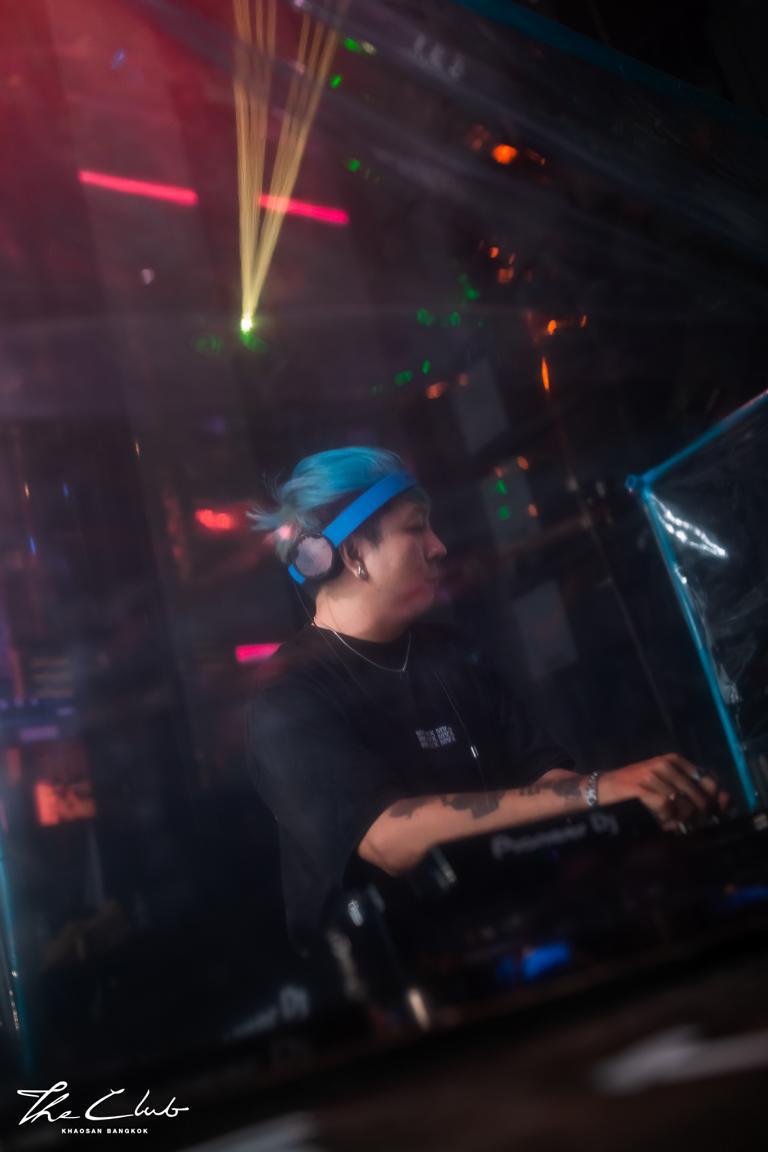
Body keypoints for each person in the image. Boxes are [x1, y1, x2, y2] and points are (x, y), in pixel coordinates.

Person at [246, 447, 729, 955]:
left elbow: (545, 779)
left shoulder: (449, 652)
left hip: (518, 938)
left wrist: (644, 802)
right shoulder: (288, 697)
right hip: (396, 978)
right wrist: (598, 793)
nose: (439, 546)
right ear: (353, 555)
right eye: (416, 528)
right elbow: (390, 840)